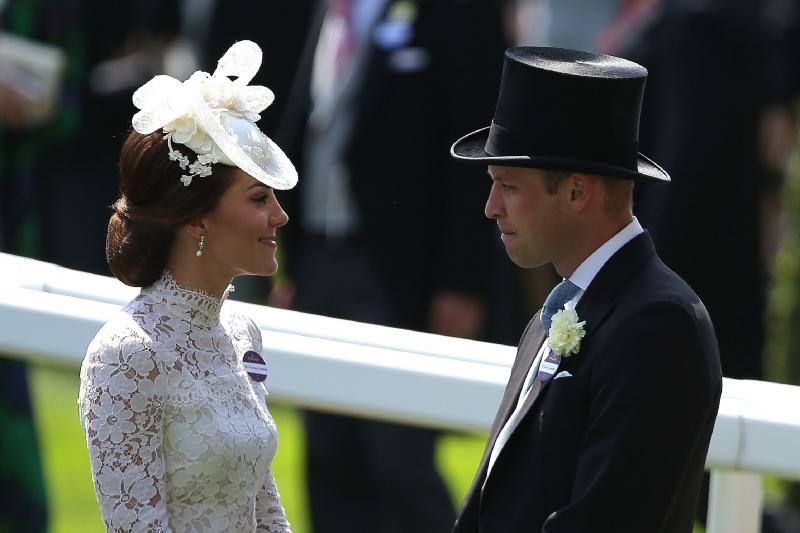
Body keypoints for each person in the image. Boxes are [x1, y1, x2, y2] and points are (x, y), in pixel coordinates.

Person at [449, 47, 722, 532]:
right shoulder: (562, 311)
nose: (491, 207)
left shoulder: (659, 324)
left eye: (509, 186)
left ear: (577, 192)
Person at [274, 1, 508, 531]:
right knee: (328, 454)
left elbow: (476, 146)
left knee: (400, 459)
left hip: (402, 272)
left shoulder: (457, 12)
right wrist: (291, 267)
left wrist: (463, 282)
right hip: (320, 259)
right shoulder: (330, 10)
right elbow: (310, 125)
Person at [77, 41, 296, 532]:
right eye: (259, 198)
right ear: (196, 218)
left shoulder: (241, 332)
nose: (279, 216)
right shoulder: (127, 353)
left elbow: (264, 505)